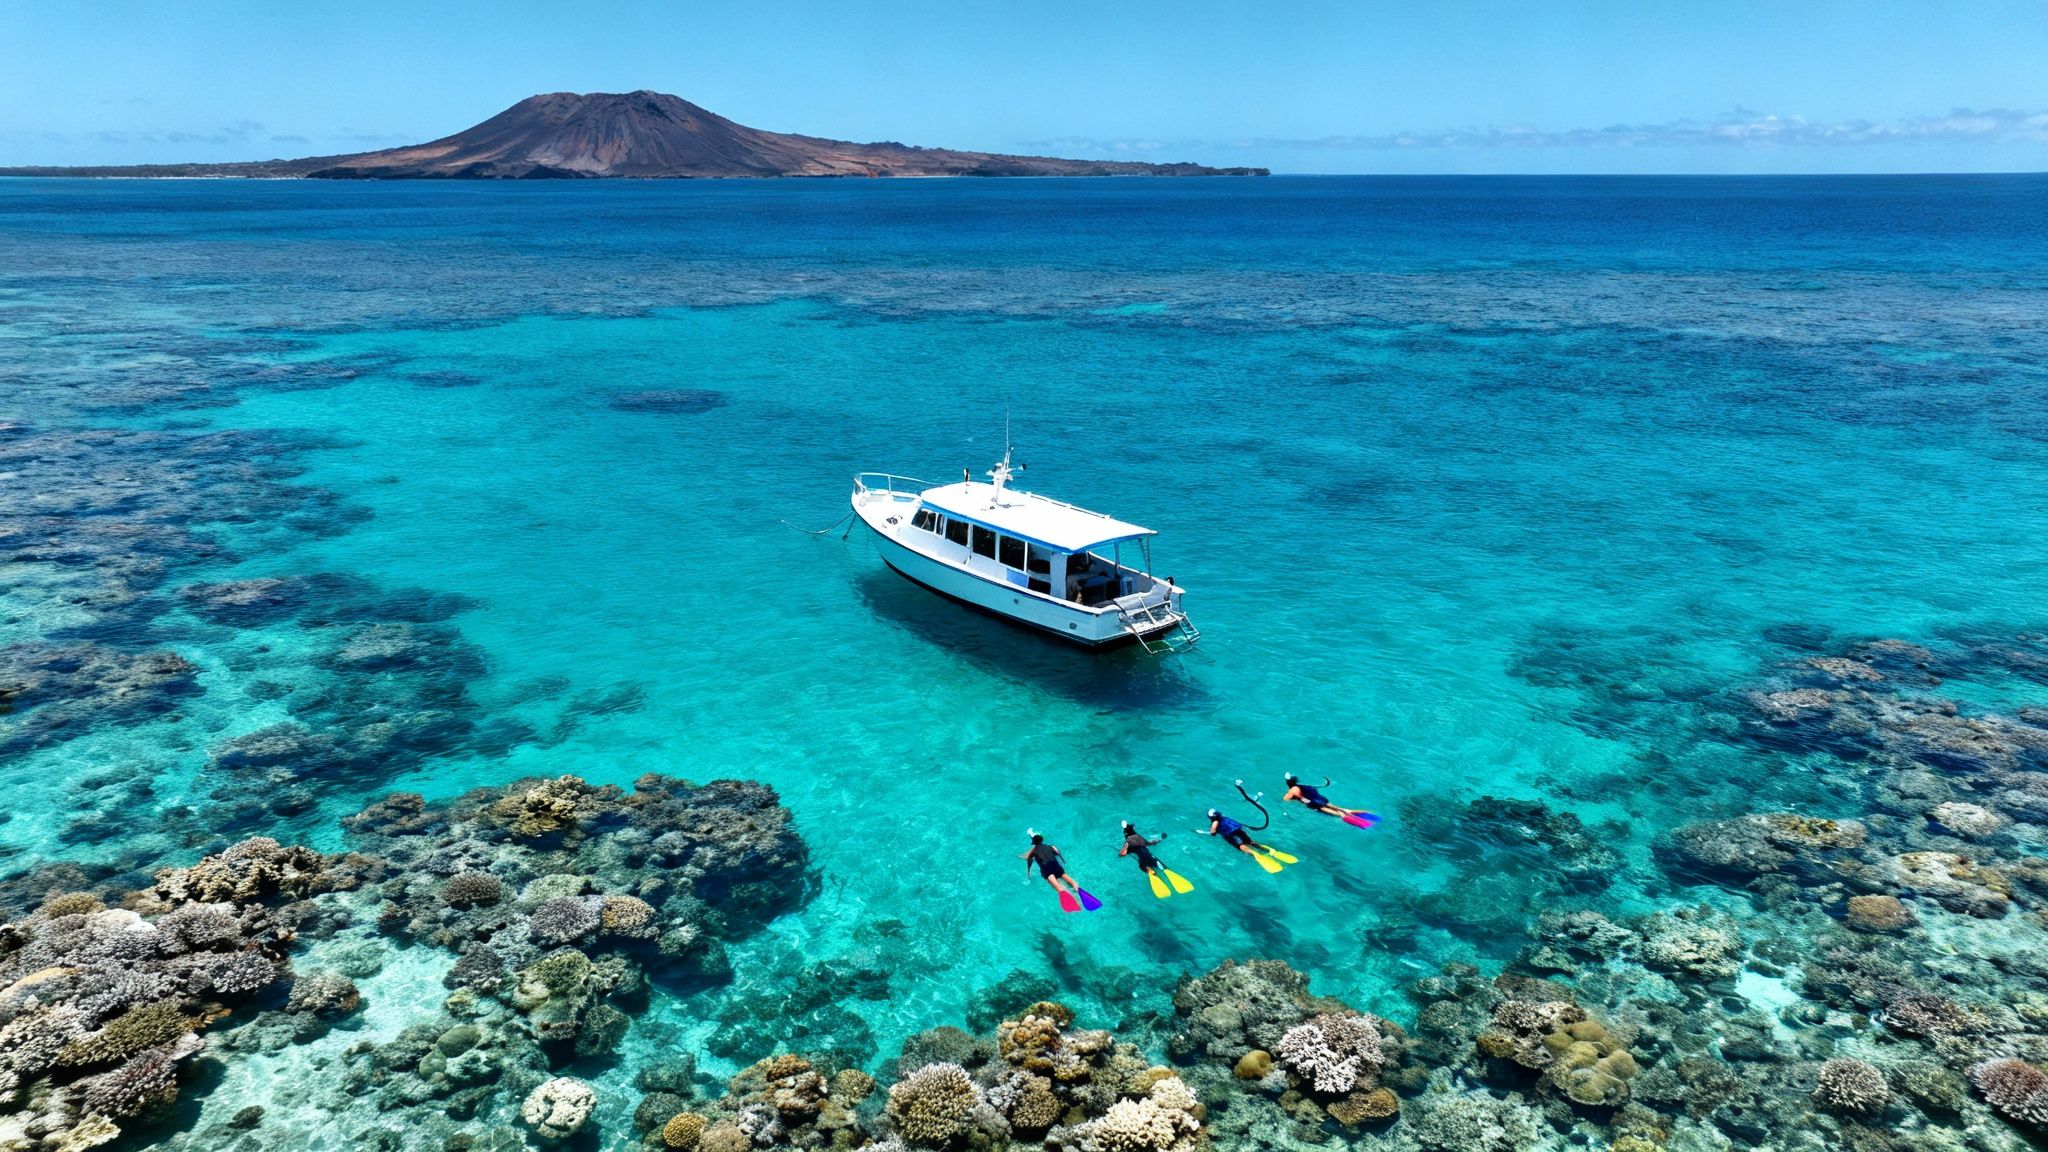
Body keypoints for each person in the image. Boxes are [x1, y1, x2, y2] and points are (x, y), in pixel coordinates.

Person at [1019, 832, 1082, 898]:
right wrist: (1063, 861)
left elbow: (1029, 862)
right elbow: (1058, 854)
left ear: (1033, 843)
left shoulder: (1033, 851)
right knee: (1066, 877)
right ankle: (1075, 885)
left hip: (1047, 869)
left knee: (1056, 885)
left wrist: (1028, 874)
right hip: (1056, 866)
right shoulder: (1051, 847)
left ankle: (1063, 891)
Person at [1283, 774, 1366, 820]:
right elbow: (1320, 786)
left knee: (1339, 815)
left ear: (1288, 783)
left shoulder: (1292, 791)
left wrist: (1287, 798)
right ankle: (1364, 814)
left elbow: (1286, 800)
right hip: (1321, 799)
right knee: (1343, 810)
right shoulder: (1304, 786)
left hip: (1315, 803)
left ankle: (1362, 822)